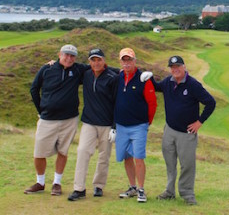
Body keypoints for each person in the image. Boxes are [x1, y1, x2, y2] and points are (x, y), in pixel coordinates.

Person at [25, 44, 89, 196]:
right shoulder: (47, 69)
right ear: (60, 54)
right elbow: (34, 88)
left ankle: (57, 183)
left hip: (69, 119)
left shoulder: (78, 69)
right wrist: (41, 110)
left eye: (72, 56)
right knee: (39, 153)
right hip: (47, 119)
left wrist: (120, 71)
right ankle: (40, 182)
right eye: (66, 54)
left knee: (63, 151)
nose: (69, 58)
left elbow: (97, 66)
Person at [152, 55, 216, 205]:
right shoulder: (168, 82)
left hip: (186, 134)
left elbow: (210, 103)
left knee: (187, 164)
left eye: (178, 67)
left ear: (184, 67)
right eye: (172, 68)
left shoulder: (193, 85)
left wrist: (199, 122)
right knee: (170, 162)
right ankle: (169, 191)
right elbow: (156, 87)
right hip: (169, 130)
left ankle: (187, 194)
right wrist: (146, 77)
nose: (175, 70)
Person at [67, 48, 118, 201]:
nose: (96, 63)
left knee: (104, 156)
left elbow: (117, 103)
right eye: (93, 60)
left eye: (99, 60)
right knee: (82, 151)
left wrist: (115, 127)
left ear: (104, 61)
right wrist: (51, 64)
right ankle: (79, 188)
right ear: (89, 62)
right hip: (89, 122)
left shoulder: (112, 77)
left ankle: (99, 185)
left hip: (107, 124)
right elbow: (69, 65)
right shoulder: (86, 74)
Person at [114, 47, 157, 203]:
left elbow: (152, 104)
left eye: (129, 60)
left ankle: (141, 189)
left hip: (139, 126)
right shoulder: (118, 76)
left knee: (138, 157)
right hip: (121, 126)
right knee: (127, 157)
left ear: (134, 61)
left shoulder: (143, 79)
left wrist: (147, 122)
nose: (127, 63)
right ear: (120, 62)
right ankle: (132, 187)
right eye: (124, 60)